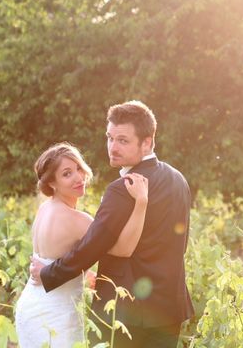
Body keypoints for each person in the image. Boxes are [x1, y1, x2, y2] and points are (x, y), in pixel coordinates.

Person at [30, 100, 194, 348]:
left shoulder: (121, 189)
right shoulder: (178, 180)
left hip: (123, 312)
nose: (112, 147)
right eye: (110, 138)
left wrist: (48, 273)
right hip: (169, 308)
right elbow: (180, 244)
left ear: (147, 142)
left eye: (123, 141)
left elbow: (91, 247)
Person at [15, 142, 148, 348]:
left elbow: (60, 254)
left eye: (78, 168)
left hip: (30, 306)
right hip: (54, 314)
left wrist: (84, 273)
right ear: (52, 184)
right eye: (67, 174)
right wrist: (141, 203)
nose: (78, 177)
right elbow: (123, 249)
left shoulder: (45, 208)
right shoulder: (77, 220)